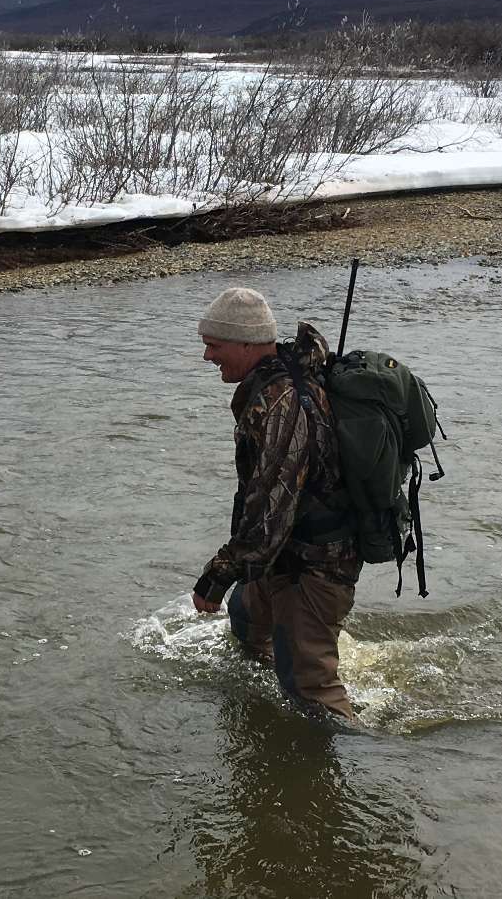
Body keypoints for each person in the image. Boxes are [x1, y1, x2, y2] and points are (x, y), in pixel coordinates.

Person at [193, 287, 361, 722]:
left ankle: (361, 763)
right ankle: (263, 714)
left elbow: (271, 507)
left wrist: (216, 576)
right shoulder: (273, 382)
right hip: (283, 554)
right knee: (247, 623)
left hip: (315, 564)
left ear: (247, 343)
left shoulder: (282, 402)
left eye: (215, 345)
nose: (208, 356)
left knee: (313, 694)